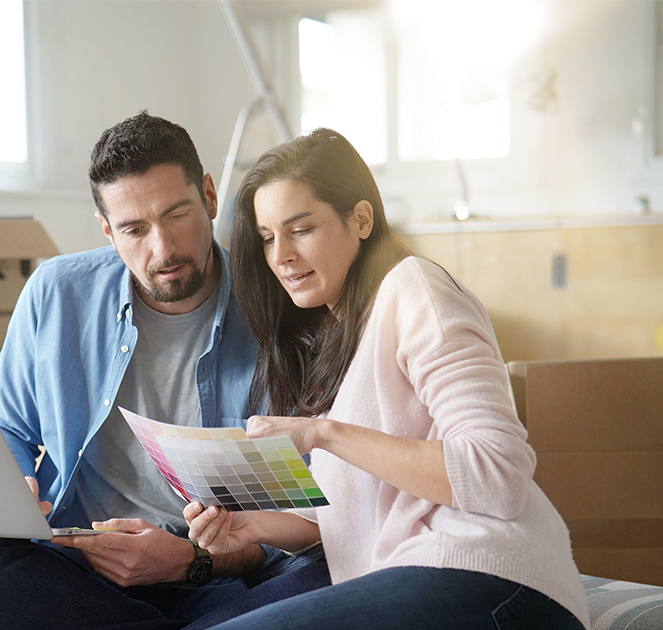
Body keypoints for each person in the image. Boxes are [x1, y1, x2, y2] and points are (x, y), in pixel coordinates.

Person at [0, 112, 332, 629]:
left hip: (223, 574)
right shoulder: (56, 293)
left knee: (333, 570)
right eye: (134, 229)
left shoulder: (285, 311)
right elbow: (6, 426)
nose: (163, 250)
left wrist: (190, 560)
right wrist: (14, 484)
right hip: (78, 571)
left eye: (177, 214)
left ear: (208, 197)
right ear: (107, 230)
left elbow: (307, 515)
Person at [182, 127, 590, 629]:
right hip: (416, 572)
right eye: (267, 238)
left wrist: (323, 434)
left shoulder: (415, 287)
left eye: (301, 229)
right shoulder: (340, 334)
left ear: (360, 219)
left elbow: (497, 473)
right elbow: (354, 510)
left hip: (495, 577)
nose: (280, 255)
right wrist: (248, 527)